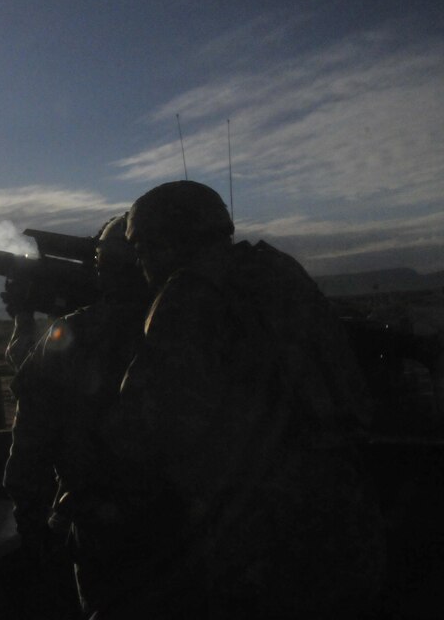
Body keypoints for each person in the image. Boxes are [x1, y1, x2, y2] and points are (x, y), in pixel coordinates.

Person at [97, 180, 385, 618]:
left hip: (265, 530)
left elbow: (141, 429)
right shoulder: (278, 271)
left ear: (171, 243)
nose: (142, 265)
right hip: (347, 505)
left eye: (145, 251)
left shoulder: (187, 294)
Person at [2, 214, 153, 616]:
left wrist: (34, 530)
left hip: (111, 531)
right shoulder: (213, 324)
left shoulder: (81, 333)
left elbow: (30, 446)